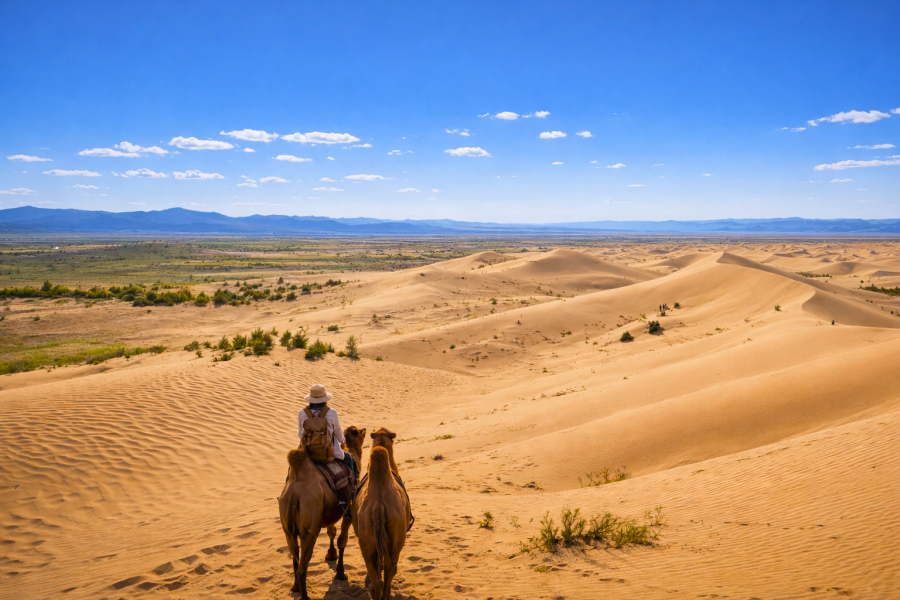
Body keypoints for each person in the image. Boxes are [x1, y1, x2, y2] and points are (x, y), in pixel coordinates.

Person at [298, 383, 359, 485]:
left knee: (291, 469)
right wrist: (343, 440)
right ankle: (354, 488)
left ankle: (286, 487)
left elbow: (300, 434)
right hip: (330, 453)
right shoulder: (332, 412)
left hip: (308, 454)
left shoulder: (302, 413)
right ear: (325, 399)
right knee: (350, 459)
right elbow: (338, 432)